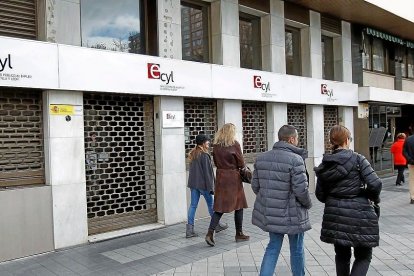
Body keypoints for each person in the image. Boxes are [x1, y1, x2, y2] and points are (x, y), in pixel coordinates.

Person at [314, 125, 382, 276]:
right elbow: (375, 183)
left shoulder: (325, 164)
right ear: (346, 140)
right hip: (361, 213)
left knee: (342, 256)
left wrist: (333, 198)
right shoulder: (358, 159)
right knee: (364, 256)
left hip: (335, 215)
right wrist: (370, 196)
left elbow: (320, 195)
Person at [252, 125, 312, 276]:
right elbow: (301, 190)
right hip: (294, 213)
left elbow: (255, 186)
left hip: (271, 213)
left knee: (272, 247)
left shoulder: (262, 158)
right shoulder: (296, 160)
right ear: (291, 139)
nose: (298, 141)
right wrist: (308, 204)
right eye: (297, 138)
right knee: (297, 249)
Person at [205, 123, 249, 246]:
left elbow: (215, 161)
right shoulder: (234, 144)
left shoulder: (216, 146)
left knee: (220, 207)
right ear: (231, 132)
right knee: (239, 205)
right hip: (233, 178)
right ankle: (239, 233)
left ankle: (210, 232)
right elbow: (241, 163)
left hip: (220, 177)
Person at [186, 134, 228, 238]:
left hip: (194, 184)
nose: (209, 143)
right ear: (203, 143)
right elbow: (208, 173)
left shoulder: (193, 153)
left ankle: (189, 230)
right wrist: (211, 188)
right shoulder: (204, 155)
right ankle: (216, 225)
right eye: (207, 141)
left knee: (193, 206)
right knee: (211, 205)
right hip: (203, 185)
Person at [403, 132, 414, 204]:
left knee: (412, 180)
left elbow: (404, 152)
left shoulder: (408, 139)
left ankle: (412, 197)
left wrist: (410, 160)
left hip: (411, 163)